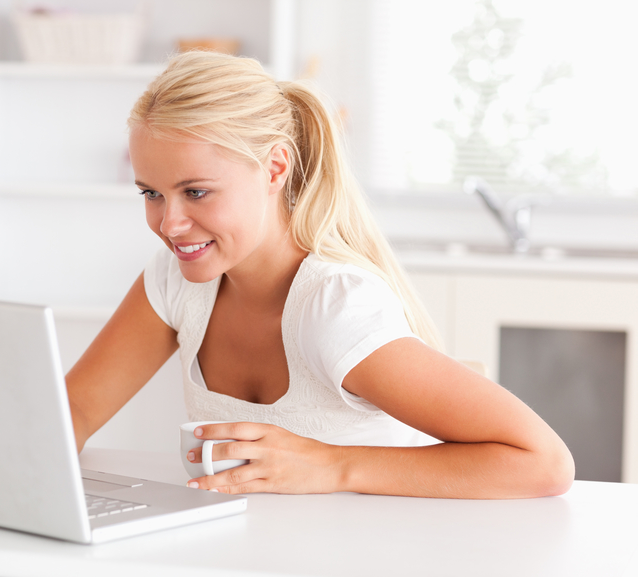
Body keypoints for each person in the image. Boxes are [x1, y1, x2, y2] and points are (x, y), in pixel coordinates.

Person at [64, 51, 574, 499]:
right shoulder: (176, 281)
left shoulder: (335, 308)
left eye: (195, 192)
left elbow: (544, 462)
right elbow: (74, 413)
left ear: (274, 168)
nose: (168, 224)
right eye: (151, 193)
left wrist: (335, 464)